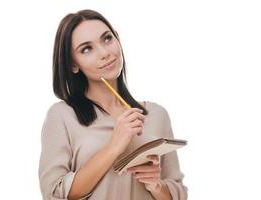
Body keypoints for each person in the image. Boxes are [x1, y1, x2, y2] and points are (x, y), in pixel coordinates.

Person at [38, 9, 188, 200]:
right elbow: (53, 193)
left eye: (107, 39)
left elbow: (178, 194)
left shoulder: (156, 115)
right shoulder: (62, 116)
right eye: (86, 49)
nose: (104, 53)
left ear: (117, 39)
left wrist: (156, 186)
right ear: (73, 65)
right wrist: (114, 146)